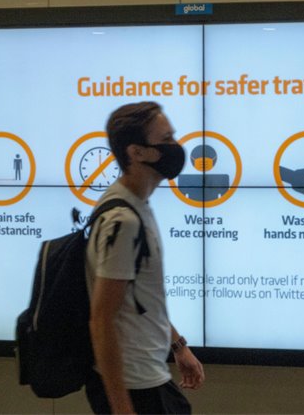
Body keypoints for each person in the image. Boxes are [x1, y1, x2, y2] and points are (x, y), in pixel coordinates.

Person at [85, 101, 205, 414]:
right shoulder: (123, 221)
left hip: (148, 376)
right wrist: (122, 408)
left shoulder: (136, 204)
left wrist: (178, 345)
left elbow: (140, 298)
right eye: (165, 140)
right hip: (136, 386)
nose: (175, 147)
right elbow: (102, 319)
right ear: (137, 152)